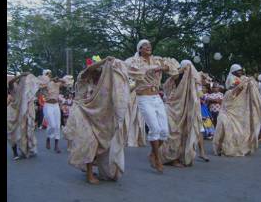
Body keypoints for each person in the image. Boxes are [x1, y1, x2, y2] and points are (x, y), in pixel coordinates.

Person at [63, 56, 129, 184]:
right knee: (90, 141)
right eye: (97, 69)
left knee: (101, 144)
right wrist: (104, 61)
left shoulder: (103, 83)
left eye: (100, 70)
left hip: (97, 115)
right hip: (82, 111)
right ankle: (89, 173)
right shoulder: (83, 77)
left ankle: (97, 167)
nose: (98, 72)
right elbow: (88, 70)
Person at [125, 39, 180, 173]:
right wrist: (150, 69)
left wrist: (161, 67)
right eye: (145, 46)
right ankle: (157, 159)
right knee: (154, 129)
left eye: (149, 45)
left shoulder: (157, 60)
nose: (148, 47)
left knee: (164, 132)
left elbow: (173, 69)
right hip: (143, 98)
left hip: (157, 98)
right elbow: (131, 71)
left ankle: (152, 154)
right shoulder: (133, 61)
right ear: (139, 49)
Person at [159, 60, 209, 167]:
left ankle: (179, 157)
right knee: (173, 133)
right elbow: (166, 85)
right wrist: (181, 71)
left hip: (185, 110)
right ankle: (170, 158)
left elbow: (199, 92)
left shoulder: (193, 81)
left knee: (183, 133)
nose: (189, 70)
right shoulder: (176, 77)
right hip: (172, 108)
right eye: (187, 67)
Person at [213, 65, 261, 157]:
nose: (240, 72)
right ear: (233, 71)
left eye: (241, 70)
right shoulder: (231, 85)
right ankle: (221, 147)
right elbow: (236, 88)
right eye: (238, 70)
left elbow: (244, 89)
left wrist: (248, 82)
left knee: (238, 130)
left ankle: (237, 147)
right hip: (229, 109)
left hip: (238, 109)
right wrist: (242, 83)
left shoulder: (242, 80)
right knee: (225, 128)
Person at [7, 72, 40, 160]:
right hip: (12, 111)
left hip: (21, 111)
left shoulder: (25, 88)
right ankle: (15, 153)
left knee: (22, 131)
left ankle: (24, 149)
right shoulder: (13, 84)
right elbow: (9, 83)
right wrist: (20, 76)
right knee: (13, 133)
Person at [39, 70, 72, 154]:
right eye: (47, 74)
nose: (48, 75)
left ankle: (56, 145)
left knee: (57, 125)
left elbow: (67, 82)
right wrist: (50, 80)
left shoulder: (57, 83)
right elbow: (41, 86)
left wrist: (59, 79)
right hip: (48, 105)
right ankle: (48, 138)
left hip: (56, 105)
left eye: (49, 73)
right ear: (44, 75)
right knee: (52, 125)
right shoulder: (44, 84)